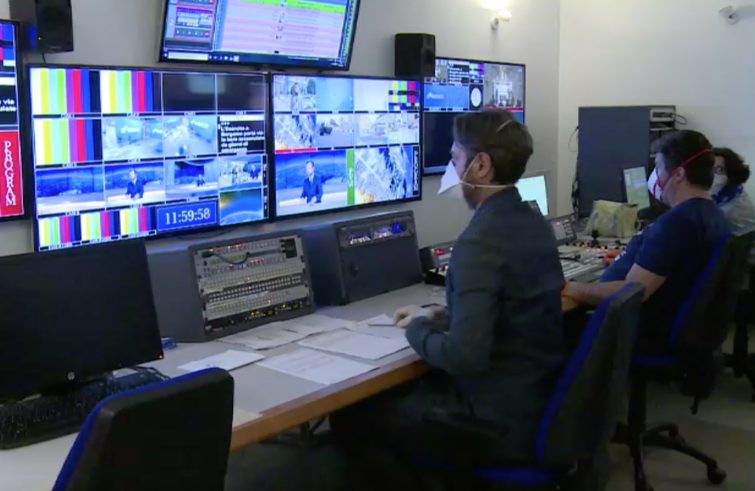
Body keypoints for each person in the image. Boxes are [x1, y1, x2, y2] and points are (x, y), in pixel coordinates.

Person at [330, 111, 566, 484]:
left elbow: (463, 356)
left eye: (455, 158)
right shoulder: (533, 222)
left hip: (495, 421)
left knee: (353, 415)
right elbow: (508, 310)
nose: (451, 170)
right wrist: (441, 314)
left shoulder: (480, 241)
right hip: (536, 401)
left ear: (481, 165)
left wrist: (418, 328)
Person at [563, 130, 731, 346]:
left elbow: (632, 293)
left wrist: (571, 287)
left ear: (679, 174)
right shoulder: (712, 214)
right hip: (678, 330)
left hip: (634, 333)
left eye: (658, 168)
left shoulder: (676, 223)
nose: (655, 176)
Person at [711, 147, 755, 233]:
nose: (712, 174)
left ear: (731, 174)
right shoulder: (723, 191)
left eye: (719, 169)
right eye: (709, 168)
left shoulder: (734, 208)